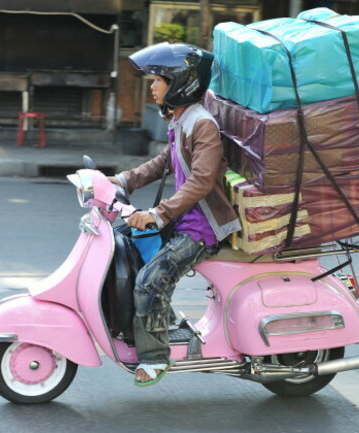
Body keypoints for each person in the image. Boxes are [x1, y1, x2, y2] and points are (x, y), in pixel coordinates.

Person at [110, 42, 241, 386]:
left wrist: (157, 214)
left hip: (203, 228)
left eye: (158, 80)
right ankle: (158, 319)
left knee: (150, 280)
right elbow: (163, 163)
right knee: (123, 244)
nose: (152, 87)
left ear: (181, 83)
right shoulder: (181, 120)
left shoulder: (202, 124)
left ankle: (155, 357)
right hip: (184, 218)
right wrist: (123, 180)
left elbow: (201, 181)